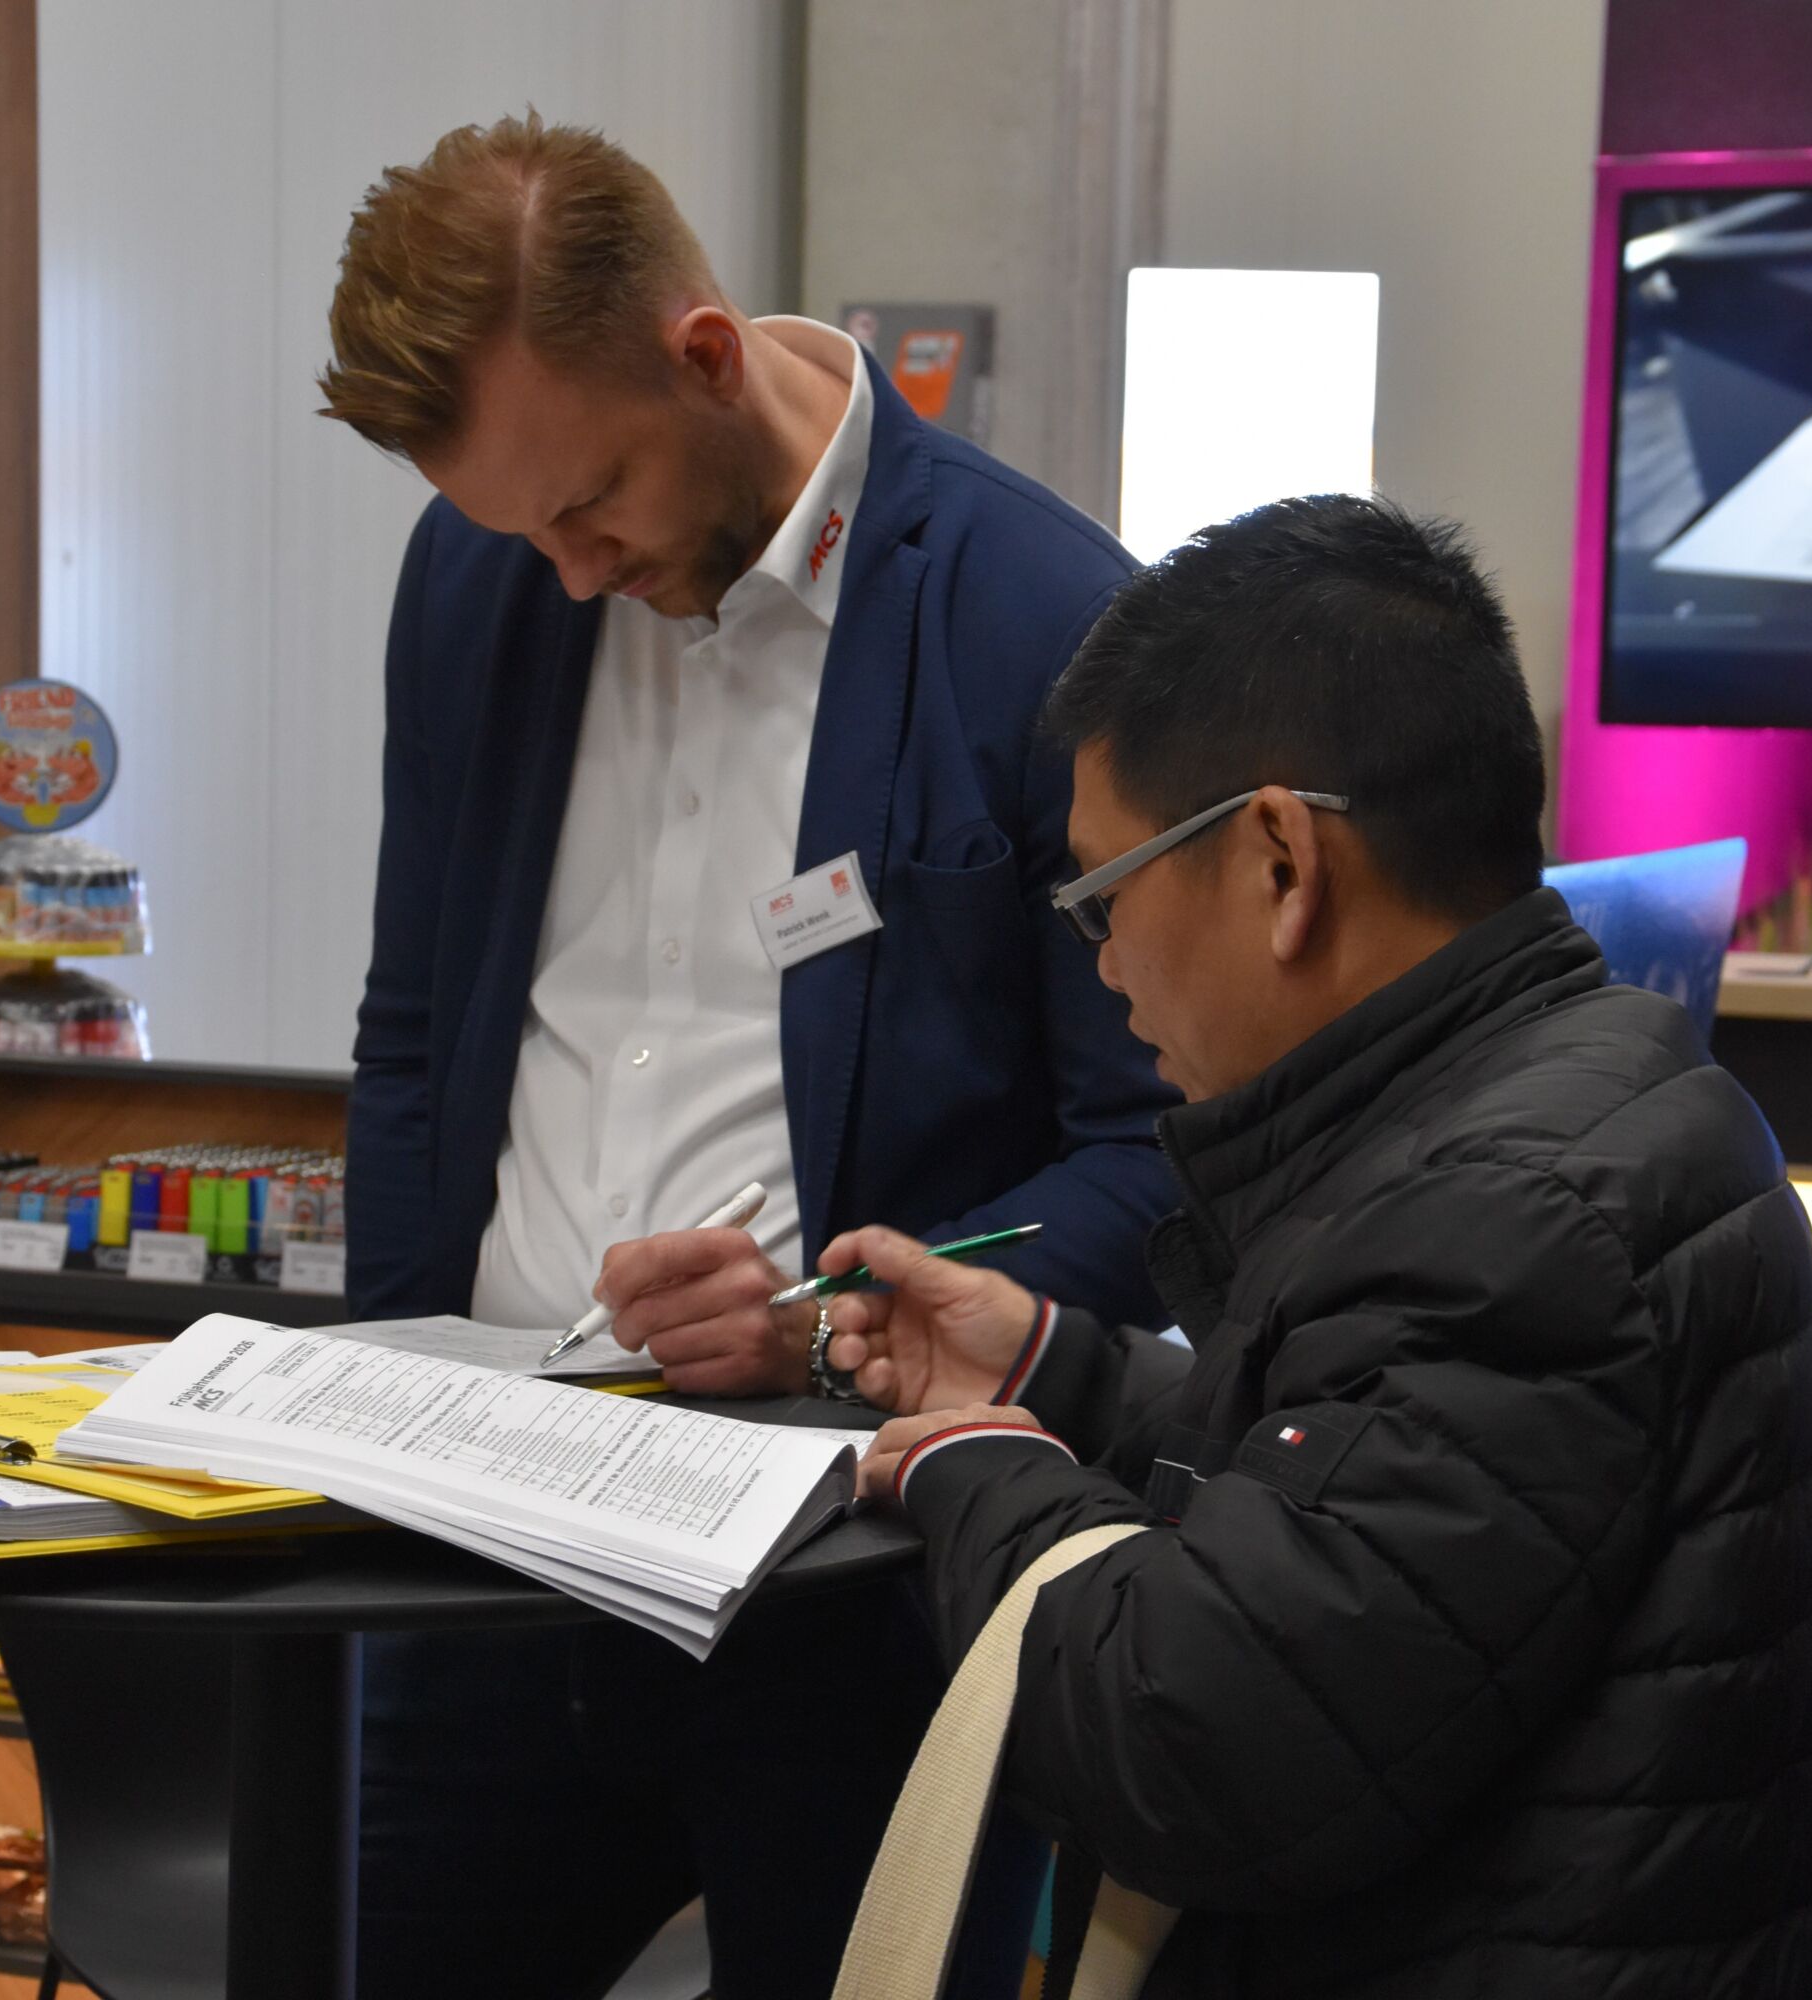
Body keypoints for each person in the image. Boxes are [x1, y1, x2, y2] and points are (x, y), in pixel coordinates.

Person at [316, 114, 1178, 1995]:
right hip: (483, 1560)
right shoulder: (479, 580)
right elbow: (413, 1037)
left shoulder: (1042, 618)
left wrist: (831, 1318)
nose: (564, 572)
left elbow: (1153, 1149)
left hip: (848, 1575)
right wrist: (386, 1401)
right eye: (517, 528)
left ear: (704, 355)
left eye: (591, 503)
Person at [822, 495, 1812, 1999]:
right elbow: (1364, 1477)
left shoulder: (1508, 1215)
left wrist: (977, 1470)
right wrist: (1054, 1368)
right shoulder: (1570, 1097)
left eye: (1103, 897)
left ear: (1280, 862)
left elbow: (1190, 1749)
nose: (1103, 965)